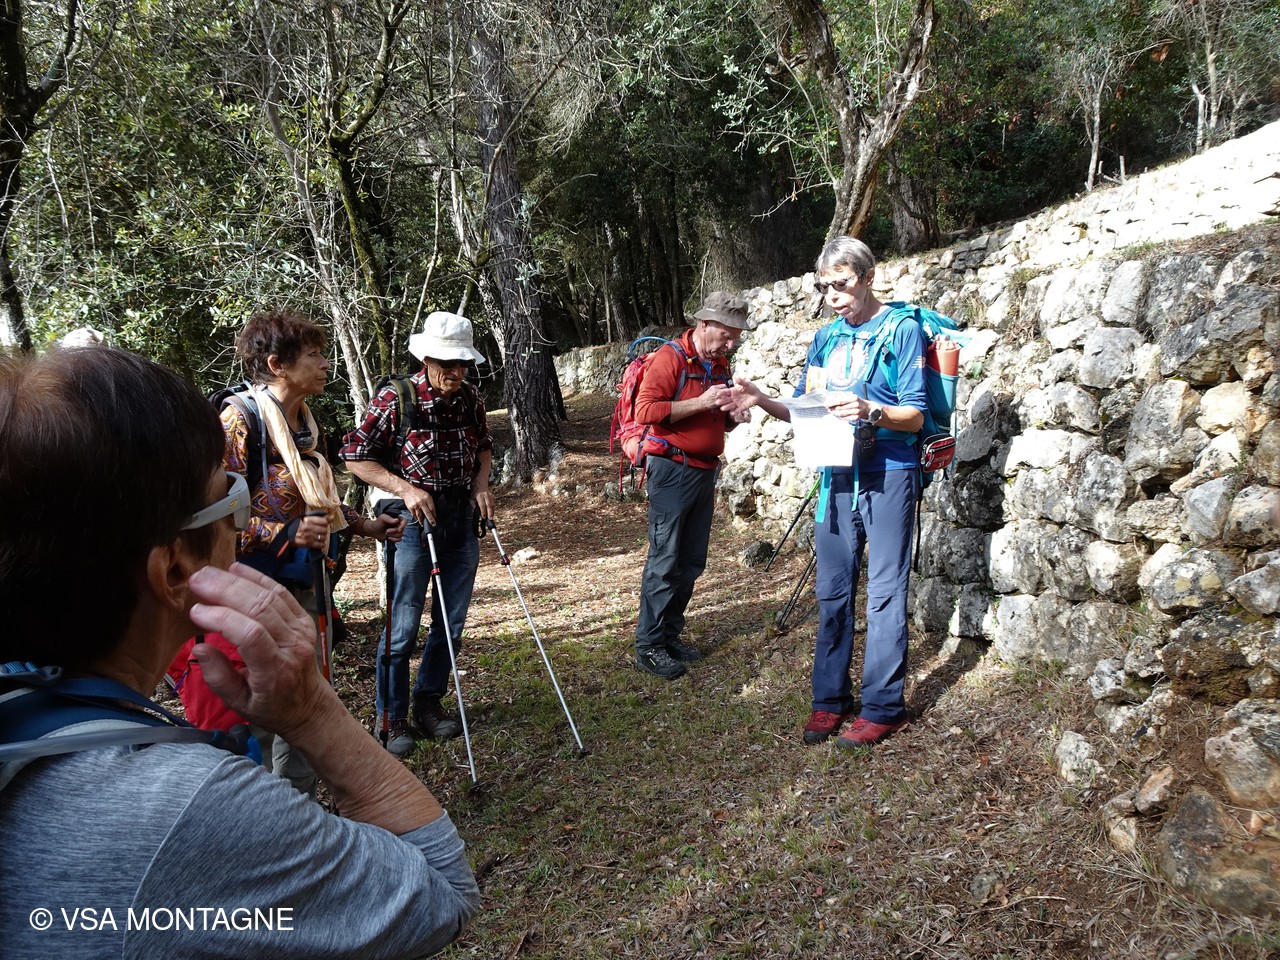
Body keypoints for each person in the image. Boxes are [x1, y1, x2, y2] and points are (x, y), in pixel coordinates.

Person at [0, 346, 480, 958]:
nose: (240, 515)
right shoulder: (191, 808)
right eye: (232, 498)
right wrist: (314, 713)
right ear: (176, 569)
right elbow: (441, 896)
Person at [725, 236, 926, 748]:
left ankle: (883, 706)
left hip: (890, 472)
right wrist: (762, 399)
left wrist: (872, 410)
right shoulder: (826, 338)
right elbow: (804, 409)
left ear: (869, 277)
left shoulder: (902, 330)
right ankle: (829, 700)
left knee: (884, 592)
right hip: (835, 475)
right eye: (824, 287)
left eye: (842, 284)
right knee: (832, 590)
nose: (833, 295)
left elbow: (915, 415)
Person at [215, 310, 404, 794]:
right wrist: (284, 534)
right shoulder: (239, 420)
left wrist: (364, 525)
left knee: (309, 691)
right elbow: (216, 517)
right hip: (253, 586)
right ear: (277, 364)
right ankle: (259, 806)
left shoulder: (304, 424)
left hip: (305, 581)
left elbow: (318, 500)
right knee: (262, 696)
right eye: (315, 355)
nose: (326, 364)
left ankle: (297, 802)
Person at [341, 312, 495, 757]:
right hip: (410, 521)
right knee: (403, 622)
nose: (456, 371)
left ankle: (428, 702)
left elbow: (483, 446)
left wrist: (481, 484)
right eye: (447, 362)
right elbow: (355, 455)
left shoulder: (470, 398)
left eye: (462, 363)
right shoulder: (396, 397)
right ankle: (390, 717)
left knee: (452, 620)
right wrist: (405, 489)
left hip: (459, 517)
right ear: (426, 359)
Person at [633, 291, 752, 680]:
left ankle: (669, 636)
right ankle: (649, 646)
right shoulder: (670, 358)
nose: (730, 345)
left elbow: (717, 418)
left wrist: (733, 416)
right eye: (726, 335)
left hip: (703, 471)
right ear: (704, 325)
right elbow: (646, 411)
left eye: (735, 338)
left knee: (691, 562)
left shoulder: (718, 364)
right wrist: (703, 402)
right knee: (665, 560)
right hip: (672, 470)